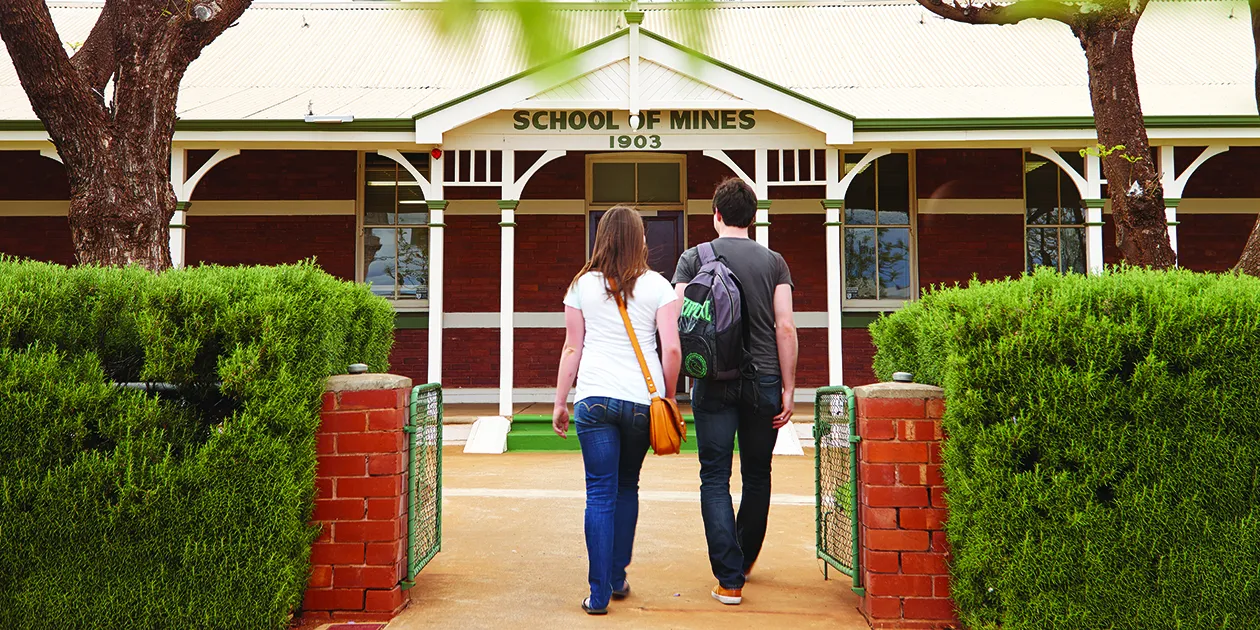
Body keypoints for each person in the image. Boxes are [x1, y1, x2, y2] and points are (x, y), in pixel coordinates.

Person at [671, 178, 797, 606]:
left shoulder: (693, 258)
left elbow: (680, 325)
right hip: (763, 379)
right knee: (758, 475)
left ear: (716, 215)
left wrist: (675, 385)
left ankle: (729, 579)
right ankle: (742, 562)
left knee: (714, 476)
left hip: (711, 381)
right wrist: (789, 385)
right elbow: (785, 326)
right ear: (754, 216)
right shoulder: (775, 262)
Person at [552, 204, 682, 615]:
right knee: (627, 486)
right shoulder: (660, 285)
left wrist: (560, 400)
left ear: (602, 238)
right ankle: (619, 575)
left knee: (599, 493)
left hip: (593, 399)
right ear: (639, 239)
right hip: (643, 402)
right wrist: (672, 396)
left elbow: (572, 346)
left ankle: (599, 592)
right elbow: (672, 348)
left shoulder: (581, 286)